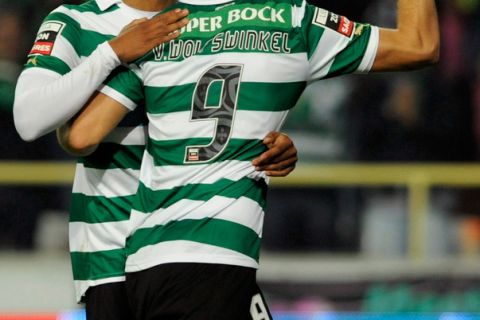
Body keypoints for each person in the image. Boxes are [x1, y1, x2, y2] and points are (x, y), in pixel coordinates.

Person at [57, 0, 440, 319]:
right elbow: (420, 45)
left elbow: (80, 136)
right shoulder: (292, 21)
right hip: (216, 254)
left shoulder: (163, 27)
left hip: (146, 260)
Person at [12, 0, 298, 318]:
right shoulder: (78, 21)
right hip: (113, 249)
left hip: (200, 241)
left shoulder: (218, 19)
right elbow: (29, 119)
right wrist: (112, 53)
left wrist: (270, 141)